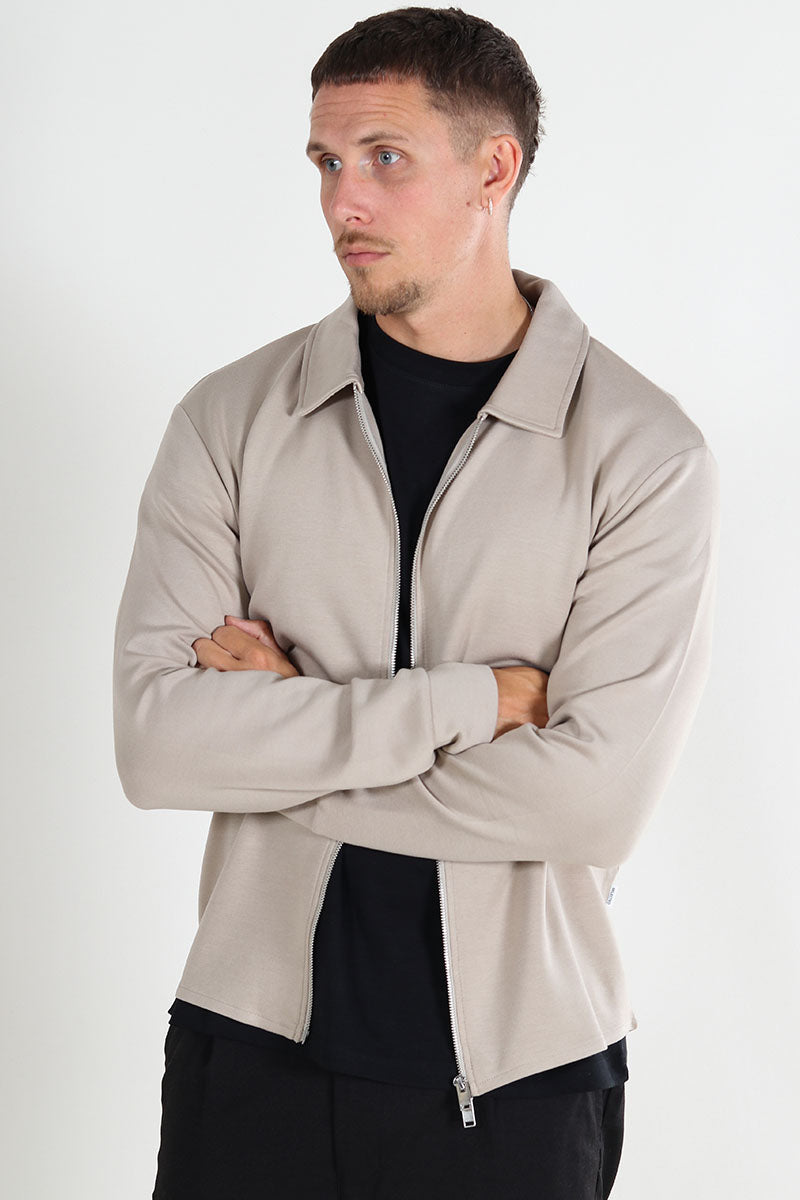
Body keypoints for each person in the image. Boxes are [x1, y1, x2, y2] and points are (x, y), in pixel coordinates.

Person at [112, 7, 720, 1198]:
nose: (342, 200)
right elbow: (158, 746)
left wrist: (282, 729)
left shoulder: (641, 453)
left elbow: (589, 802)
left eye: (383, 157)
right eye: (326, 161)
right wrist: (468, 705)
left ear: (493, 168)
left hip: (518, 1086)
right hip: (247, 1057)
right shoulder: (229, 419)